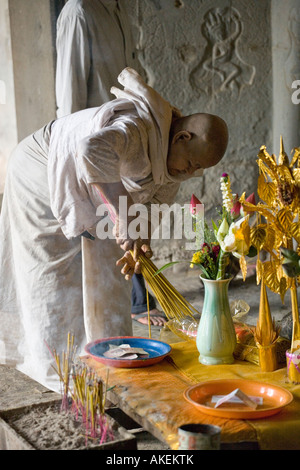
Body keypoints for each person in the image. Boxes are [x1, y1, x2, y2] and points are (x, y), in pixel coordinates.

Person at [0, 68, 228, 391]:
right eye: (192, 164)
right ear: (182, 137)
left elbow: (146, 214)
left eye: (198, 170)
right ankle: (59, 382)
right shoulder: (137, 128)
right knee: (53, 281)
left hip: (91, 191)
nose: (190, 173)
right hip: (37, 172)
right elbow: (88, 152)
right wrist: (123, 219)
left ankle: (111, 374)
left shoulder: (170, 168)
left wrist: (140, 243)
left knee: (109, 283)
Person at [55, 0, 164, 327]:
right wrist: (77, 165)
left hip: (125, 139)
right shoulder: (79, 12)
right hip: (95, 144)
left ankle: (138, 301)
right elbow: (69, 98)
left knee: (132, 224)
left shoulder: (120, 10)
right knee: (108, 234)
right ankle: (132, 306)